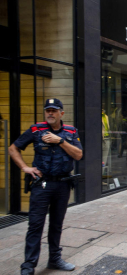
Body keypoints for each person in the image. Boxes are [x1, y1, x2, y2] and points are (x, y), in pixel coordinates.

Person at [8, 99, 83, 275]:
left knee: (57, 224)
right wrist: (25, 168)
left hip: (63, 184)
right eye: (47, 110)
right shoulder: (36, 130)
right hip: (42, 185)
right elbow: (13, 148)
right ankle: (28, 265)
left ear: (61, 113)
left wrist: (60, 141)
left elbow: (79, 155)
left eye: (54, 111)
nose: (50, 113)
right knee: (35, 224)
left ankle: (54, 259)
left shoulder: (70, 132)